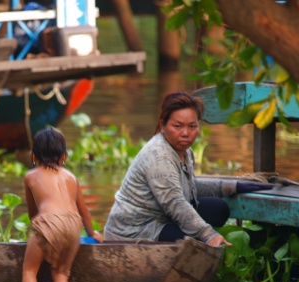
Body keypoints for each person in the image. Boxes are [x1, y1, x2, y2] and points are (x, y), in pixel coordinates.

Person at [104, 91, 273, 247]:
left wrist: (232, 186)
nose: (185, 133)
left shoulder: (184, 150)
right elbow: (176, 204)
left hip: (162, 217)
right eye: (177, 126)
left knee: (218, 209)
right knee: (195, 240)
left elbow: (188, 185)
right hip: (134, 230)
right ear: (163, 125)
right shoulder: (159, 156)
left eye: (192, 127)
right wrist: (209, 235)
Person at [12, 127, 103, 282]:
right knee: (61, 273)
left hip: (48, 221)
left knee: (29, 270)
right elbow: (84, 211)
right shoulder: (71, 177)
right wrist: (92, 232)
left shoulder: (31, 176)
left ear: (33, 155)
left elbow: (33, 211)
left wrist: (40, 233)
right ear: (64, 156)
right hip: (73, 223)